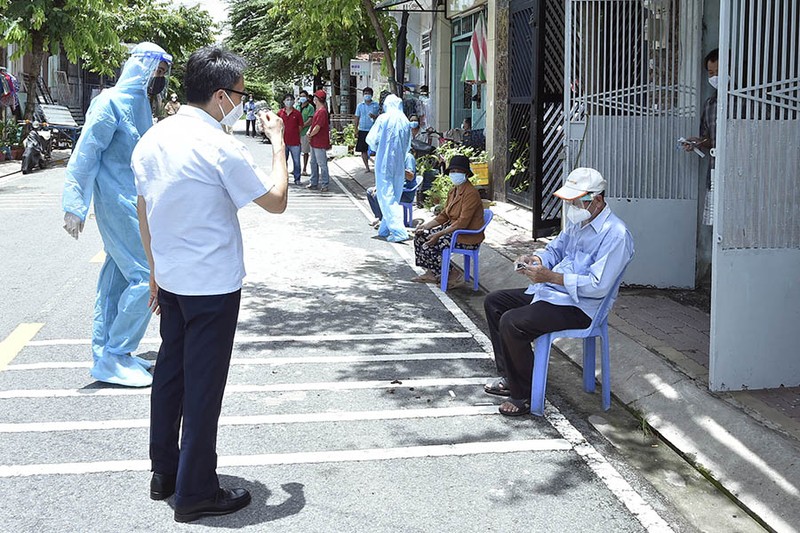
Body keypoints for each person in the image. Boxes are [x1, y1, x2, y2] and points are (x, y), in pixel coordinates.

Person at [132, 46, 289, 523]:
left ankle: (165, 471)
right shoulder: (219, 145)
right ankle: (197, 490)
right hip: (213, 285)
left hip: (173, 279)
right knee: (203, 386)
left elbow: (144, 210)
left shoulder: (153, 138)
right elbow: (276, 200)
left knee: (171, 374)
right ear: (221, 95)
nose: (242, 102)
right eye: (240, 94)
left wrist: (155, 271)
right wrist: (279, 143)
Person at [62, 42, 172, 388]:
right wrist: (74, 204)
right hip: (116, 203)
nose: (160, 80)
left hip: (136, 202)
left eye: (164, 75)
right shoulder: (109, 103)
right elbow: (86, 153)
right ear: (142, 68)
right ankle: (116, 350)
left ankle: (109, 353)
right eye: (157, 72)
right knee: (144, 275)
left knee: (117, 280)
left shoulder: (140, 104)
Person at [482, 167, 634, 416]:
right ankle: (511, 376)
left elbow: (598, 286)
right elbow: (554, 250)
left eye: (577, 201)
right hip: (552, 293)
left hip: (581, 307)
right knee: (495, 302)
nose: (572, 206)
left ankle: (525, 395)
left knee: (512, 322)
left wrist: (551, 276)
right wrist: (535, 260)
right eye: (570, 201)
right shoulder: (578, 222)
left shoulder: (616, 235)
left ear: (597, 200)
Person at [411, 155, 485, 287]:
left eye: (458, 171)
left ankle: (453, 273)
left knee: (436, 242)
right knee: (420, 236)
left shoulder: (471, 193)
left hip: (466, 235)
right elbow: (444, 215)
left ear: (466, 174)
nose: (454, 174)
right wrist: (426, 226)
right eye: (452, 171)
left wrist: (438, 234)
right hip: (452, 230)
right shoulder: (453, 191)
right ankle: (431, 273)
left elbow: (462, 223)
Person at [366, 94, 412, 242]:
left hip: (384, 163)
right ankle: (385, 227)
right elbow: (408, 145)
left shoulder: (383, 118)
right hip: (399, 164)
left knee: (386, 197)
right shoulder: (405, 121)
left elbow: (372, 140)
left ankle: (399, 231)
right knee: (394, 196)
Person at [682, 48, 718, 226]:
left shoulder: (746, 102)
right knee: (717, 224)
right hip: (714, 172)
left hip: (741, 174)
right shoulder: (710, 104)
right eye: (711, 73)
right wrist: (698, 142)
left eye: (719, 72)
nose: (715, 77)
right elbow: (709, 138)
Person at [367, 150, 416, 227]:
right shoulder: (394, 158)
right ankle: (379, 217)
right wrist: (378, 186)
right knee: (370, 191)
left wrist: (399, 168)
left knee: (378, 195)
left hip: (405, 192)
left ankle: (385, 220)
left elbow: (410, 176)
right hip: (394, 189)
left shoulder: (408, 157)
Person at [306, 89, 331, 192]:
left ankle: (325, 183)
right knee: (313, 162)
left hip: (319, 141)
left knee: (322, 163)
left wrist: (310, 135)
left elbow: (317, 127)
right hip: (314, 141)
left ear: (317, 99)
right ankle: (314, 182)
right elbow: (313, 125)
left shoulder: (322, 112)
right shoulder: (318, 110)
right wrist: (309, 133)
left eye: (315, 97)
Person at [278, 93, 304, 184]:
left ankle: (297, 179)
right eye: (287, 100)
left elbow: (300, 126)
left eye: (290, 100)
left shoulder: (297, 113)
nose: (289, 101)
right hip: (283, 142)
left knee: (296, 161)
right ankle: (284, 178)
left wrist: (295, 133)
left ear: (293, 101)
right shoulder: (280, 113)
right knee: (283, 162)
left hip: (295, 142)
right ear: (284, 101)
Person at [354, 87, 380, 173]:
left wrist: (374, 116)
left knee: (376, 148)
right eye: (365, 94)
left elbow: (380, 117)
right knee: (363, 149)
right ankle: (367, 167)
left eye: (368, 94)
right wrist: (356, 129)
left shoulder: (376, 105)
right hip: (362, 129)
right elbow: (357, 117)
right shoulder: (360, 106)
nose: (367, 95)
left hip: (373, 130)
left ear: (372, 95)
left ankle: (377, 166)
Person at [298, 89, 315, 175]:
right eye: (301, 96)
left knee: (305, 151)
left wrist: (302, 126)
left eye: (303, 96)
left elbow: (310, 119)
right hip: (297, 132)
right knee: (296, 151)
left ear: (307, 97)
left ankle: (304, 169)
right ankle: (296, 168)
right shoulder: (297, 106)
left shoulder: (310, 107)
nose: (302, 98)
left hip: (305, 131)